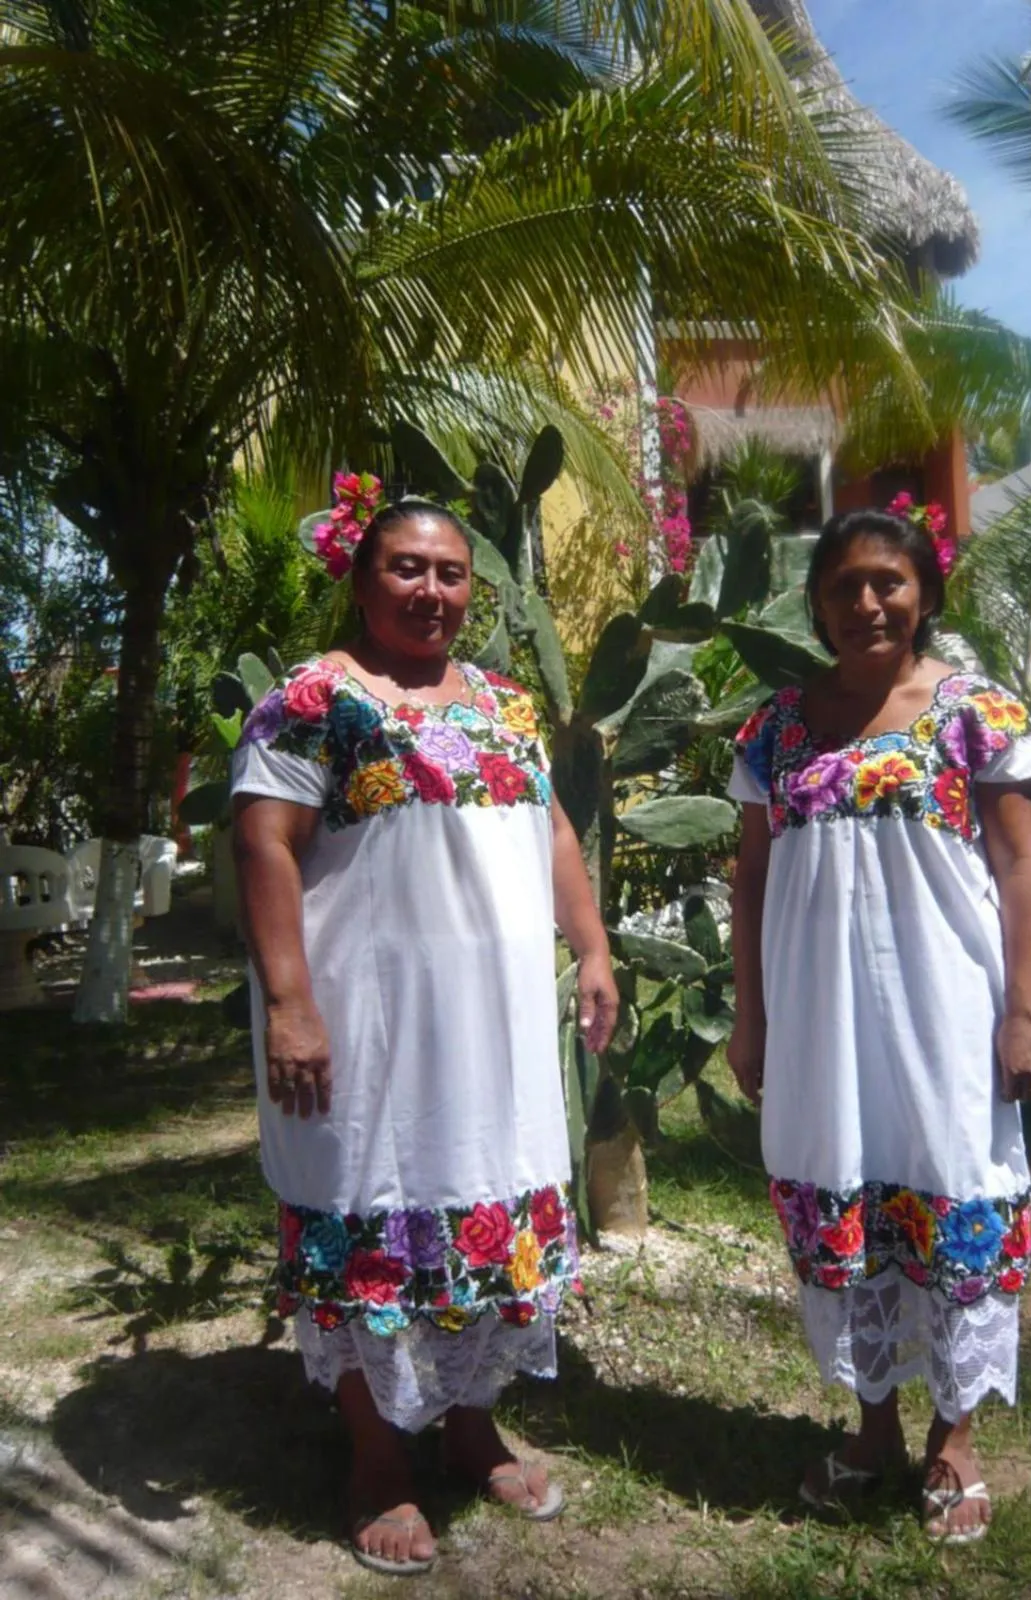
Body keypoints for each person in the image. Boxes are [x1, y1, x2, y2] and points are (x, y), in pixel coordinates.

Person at [231, 496, 617, 1577]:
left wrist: (589, 947)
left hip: (491, 1031)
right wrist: (291, 1003)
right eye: (406, 569)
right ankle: (375, 1454)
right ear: (362, 581)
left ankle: (470, 1422)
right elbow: (263, 843)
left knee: (487, 1203)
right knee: (367, 1206)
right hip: (364, 1027)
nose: (431, 591)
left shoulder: (502, 701)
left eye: (449, 574)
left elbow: (546, 825)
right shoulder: (313, 700)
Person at [727, 506, 1031, 1544]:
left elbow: (1019, 867)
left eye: (889, 582)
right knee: (846, 1190)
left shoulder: (975, 713)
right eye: (844, 586)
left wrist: (1026, 1012)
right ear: (816, 603)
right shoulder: (776, 729)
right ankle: (873, 1430)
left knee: (953, 1183)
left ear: (924, 594)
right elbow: (752, 877)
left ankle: (952, 1441)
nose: (867, 602)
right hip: (820, 1018)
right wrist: (753, 1016)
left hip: (945, 1012)